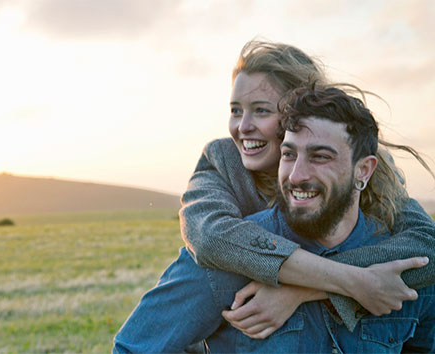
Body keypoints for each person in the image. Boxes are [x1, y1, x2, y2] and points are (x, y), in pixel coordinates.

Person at [112, 41, 435, 353]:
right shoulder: (222, 163)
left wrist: (301, 290)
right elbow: (210, 238)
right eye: (235, 110)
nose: (243, 126)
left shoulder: (374, 177)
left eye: (262, 110)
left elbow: (428, 248)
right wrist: (352, 282)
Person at [200, 85, 435, 352]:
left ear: (364, 170)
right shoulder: (225, 264)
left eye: (320, 157)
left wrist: (302, 290)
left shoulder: (404, 269)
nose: (297, 175)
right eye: (289, 154)